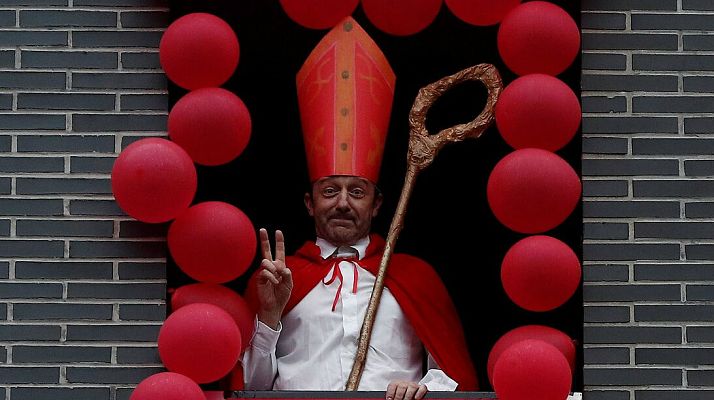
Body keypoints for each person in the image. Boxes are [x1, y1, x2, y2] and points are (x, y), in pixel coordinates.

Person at [240, 17, 477, 400]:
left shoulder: (413, 276)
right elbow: (252, 388)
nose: (343, 203)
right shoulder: (279, 280)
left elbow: (452, 376)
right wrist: (269, 316)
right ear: (309, 202)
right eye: (330, 190)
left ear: (377, 202)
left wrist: (423, 387)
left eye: (357, 191)